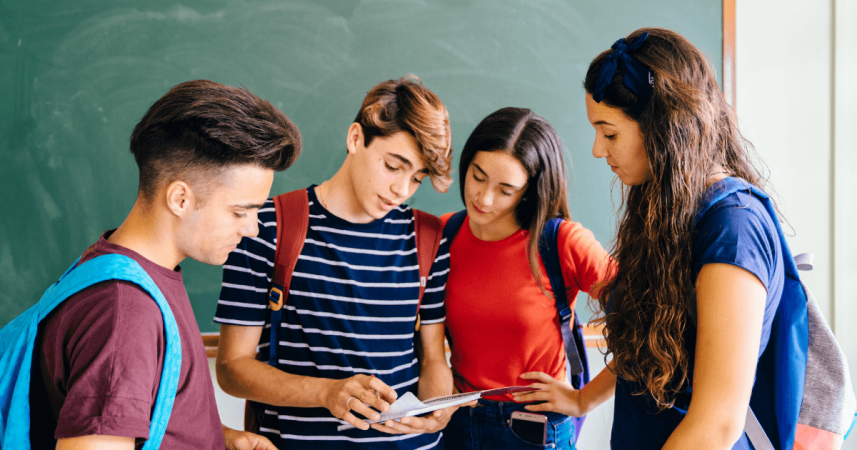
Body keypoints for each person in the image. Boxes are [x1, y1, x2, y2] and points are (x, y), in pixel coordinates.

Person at [513, 28, 786, 450]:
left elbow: (717, 423)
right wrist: (584, 399)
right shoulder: (670, 212)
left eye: (610, 133)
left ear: (663, 127)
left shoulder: (733, 230)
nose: (597, 151)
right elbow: (653, 340)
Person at [28, 79, 302, 449]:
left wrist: (220, 439)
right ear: (180, 198)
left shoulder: (130, 274)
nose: (252, 229)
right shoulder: (125, 311)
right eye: (241, 211)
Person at [213, 75, 456, 450]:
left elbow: (433, 360)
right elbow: (231, 369)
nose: (401, 190)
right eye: (393, 166)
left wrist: (438, 406)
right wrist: (326, 393)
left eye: (417, 179)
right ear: (356, 138)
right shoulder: (266, 227)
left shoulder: (428, 238)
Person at [438, 107, 613, 450]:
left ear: (530, 191)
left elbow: (650, 324)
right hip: (457, 422)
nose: (483, 198)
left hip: (531, 428)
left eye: (505, 189)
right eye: (477, 175)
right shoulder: (445, 233)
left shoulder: (562, 242)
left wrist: (584, 400)